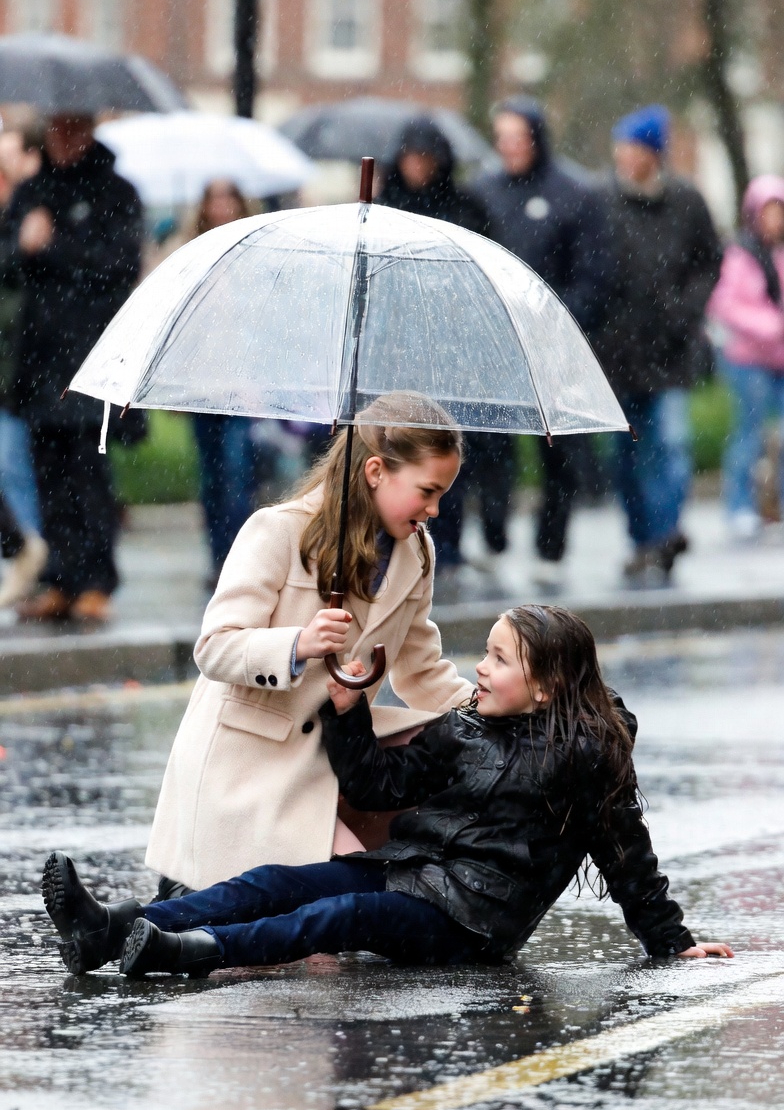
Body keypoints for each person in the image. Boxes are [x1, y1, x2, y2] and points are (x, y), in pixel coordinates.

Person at [41, 603, 733, 976]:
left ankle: (185, 951)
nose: (478, 670)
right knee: (277, 881)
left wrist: (671, 943)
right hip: (408, 874)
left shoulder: (587, 758)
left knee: (339, 916)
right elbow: (377, 786)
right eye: (484, 653)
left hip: (469, 921)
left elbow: (629, 861)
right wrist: (349, 709)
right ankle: (110, 928)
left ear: (547, 685)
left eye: (498, 659)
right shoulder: (465, 728)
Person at [142, 392, 474, 901]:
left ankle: (160, 913)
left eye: (441, 495)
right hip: (247, 768)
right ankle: (132, 918)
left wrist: (498, 716)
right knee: (285, 928)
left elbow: (421, 670)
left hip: (328, 770)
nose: (433, 510)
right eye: (427, 491)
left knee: (330, 922)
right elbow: (214, 647)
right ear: (376, 472)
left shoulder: (417, 553)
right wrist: (298, 643)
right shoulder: (277, 531)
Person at [458, 97, 610, 588]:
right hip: (492, 342)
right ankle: (495, 536)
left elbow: (592, 276)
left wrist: (551, 318)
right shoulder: (481, 192)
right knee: (487, 447)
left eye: (516, 136)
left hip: (551, 344)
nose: (508, 147)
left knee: (556, 450)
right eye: (500, 137)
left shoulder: (574, 195)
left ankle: (551, 545)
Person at [0, 113, 143, 623]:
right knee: (49, 475)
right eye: (57, 129)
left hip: (91, 356)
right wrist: (24, 244)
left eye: (73, 129)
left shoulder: (116, 192)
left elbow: (119, 264)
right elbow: (8, 261)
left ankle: (96, 580)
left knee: (88, 474)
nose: (64, 140)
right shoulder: (33, 190)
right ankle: (60, 577)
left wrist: (52, 247)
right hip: (39, 358)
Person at [593, 105, 722, 586]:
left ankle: (666, 534)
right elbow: (586, 264)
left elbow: (710, 262)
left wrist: (684, 309)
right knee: (623, 454)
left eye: (633, 149)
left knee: (669, 443)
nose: (624, 157)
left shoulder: (687, 202)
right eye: (620, 148)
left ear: (653, 154)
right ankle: (642, 539)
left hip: (670, 351)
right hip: (615, 354)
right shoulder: (601, 200)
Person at [376, 117, 492, 575]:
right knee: (399, 450)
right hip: (396, 350)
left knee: (445, 451)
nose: (417, 167)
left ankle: (447, 547)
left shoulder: (465, 209)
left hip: (451, 354)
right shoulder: (384, 209)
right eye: (410, 157)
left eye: (425, 158)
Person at [188, 180, 258, 587]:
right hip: (204, 389)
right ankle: (218, 556)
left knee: (235, 474)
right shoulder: (194, 254)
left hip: (241, 389)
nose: (220, 205)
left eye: (228, 196)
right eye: (212, 196)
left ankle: (238, 560)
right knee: (212, 479)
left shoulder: (255, 256)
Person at [707, 175, 784, 541]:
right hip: (747, 359)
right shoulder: (741, 254)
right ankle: (739, 505)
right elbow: (725, 303)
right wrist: (769, 325)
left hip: (780, 359)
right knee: (748, 434)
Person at [0, 124, 48, 608]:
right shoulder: (15, 217)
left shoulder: (32, 211)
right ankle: (26, 552)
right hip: (14, 365)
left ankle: (30, 556)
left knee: (17, 468)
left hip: (22, 368)